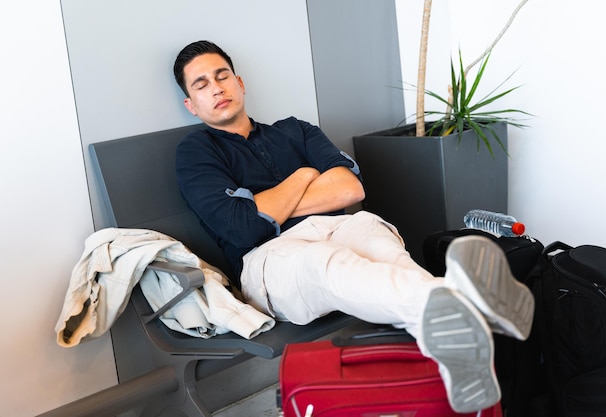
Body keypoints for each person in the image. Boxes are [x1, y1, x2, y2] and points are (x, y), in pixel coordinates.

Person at [173, 40, 534, 414]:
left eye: (222, 76)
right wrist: (305, 174)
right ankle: (472, 301)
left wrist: (266, 202)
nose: (216, 87)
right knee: (328, 261)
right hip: (270, 257)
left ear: (240, 82)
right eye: (201, 85)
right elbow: (243, 226)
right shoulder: (196, 153)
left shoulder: (295, 130)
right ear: (191, 104)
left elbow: (350, 188)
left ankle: (456, 352)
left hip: (342, 228)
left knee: (380, 243)